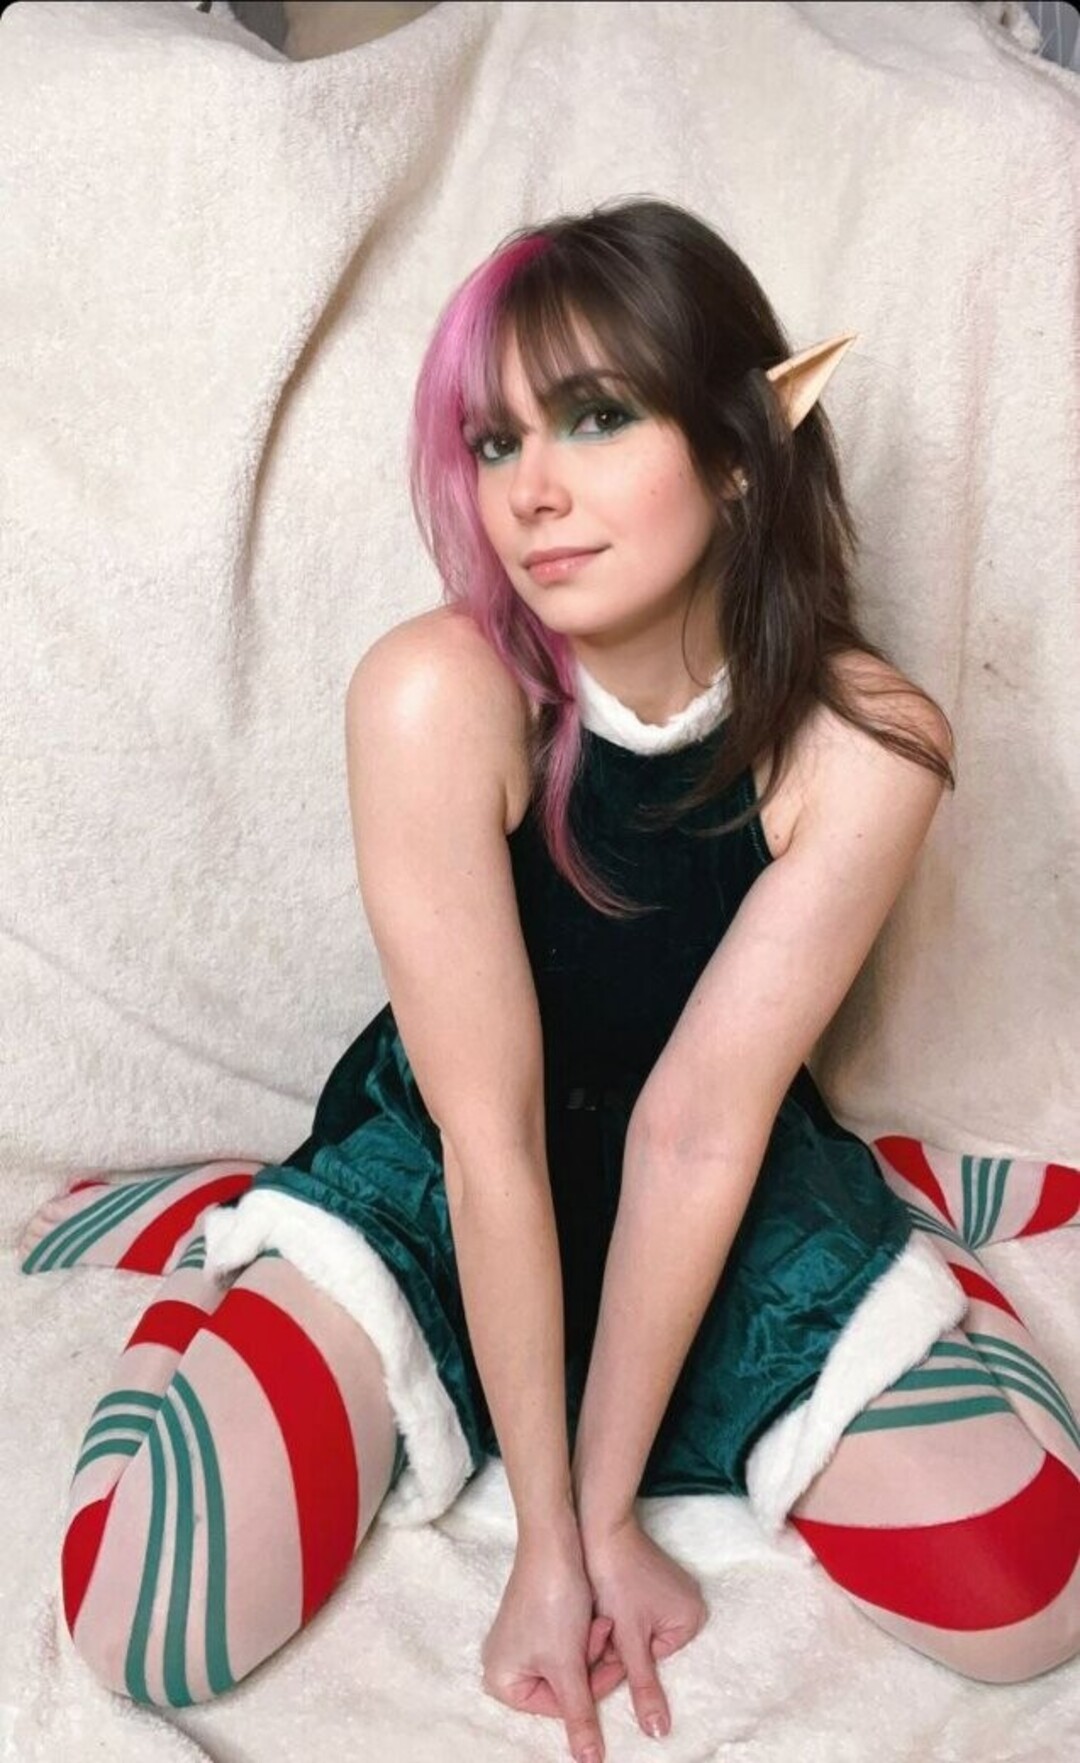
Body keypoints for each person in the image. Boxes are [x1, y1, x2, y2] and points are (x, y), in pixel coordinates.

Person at [19, 196, 1080, 1759]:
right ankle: (220, 1241)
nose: (530, 491)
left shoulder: (867, 738)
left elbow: (697, 1134)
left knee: (1034, 1598)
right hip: (453, 1173)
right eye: (495, 440)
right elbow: (489, 1137)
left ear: (739, 449)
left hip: (721, 1186)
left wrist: (607, 1514)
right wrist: (547, 1550)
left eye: (594, 417)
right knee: (145, 1617)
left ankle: (907, 1215)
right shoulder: (434, 691)